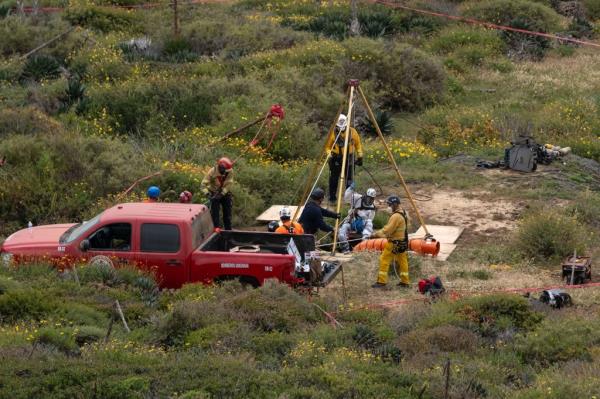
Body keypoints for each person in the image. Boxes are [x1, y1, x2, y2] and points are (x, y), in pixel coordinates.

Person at [371, 195, 410, 289]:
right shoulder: (403, 213)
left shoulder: (396, 216)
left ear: (395, 204)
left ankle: (381, 282)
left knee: (384, 259)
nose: (388, 207)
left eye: (389, 205)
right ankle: (405, 282)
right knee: (402, 261)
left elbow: (387, 230)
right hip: (402, 242)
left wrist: (375, 234)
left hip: (394, 243)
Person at [324, 114, 364, 202]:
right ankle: (332, 198)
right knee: (334, 179)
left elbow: (358, 145)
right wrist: (329, 154)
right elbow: (327, 147)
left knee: (349, 178)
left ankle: (348, 198)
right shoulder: (332, 133)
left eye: (344, 126)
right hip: (335, 159)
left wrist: (360, 155)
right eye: (339, 126)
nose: (342, 128)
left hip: (349, 158)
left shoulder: (352, 132)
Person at [339, 185, 377, 253]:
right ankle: (345, 248)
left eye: (372, 199)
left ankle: (363, 247)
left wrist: (359, 212)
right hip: (351, 222)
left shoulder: (372, 208)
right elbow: (346, 198)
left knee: (369, 224)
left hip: (362, 226)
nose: (370, 200)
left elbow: (370, 219)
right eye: (369, 198)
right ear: (365, 196)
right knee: (341, 233)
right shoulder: (358, 198)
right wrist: (350, 189)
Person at [201, 157, 234, 230]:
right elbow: (203, 185)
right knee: (215, 214)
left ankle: (228, 231)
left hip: (225, 193)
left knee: (227, 214)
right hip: (214, 193)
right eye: (225, 170)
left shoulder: (230, 171)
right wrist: (208, 194)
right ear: (220, 167)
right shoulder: (212, 172)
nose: (226, 172)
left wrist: (222, 194)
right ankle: (216, 230)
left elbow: (229, 184)